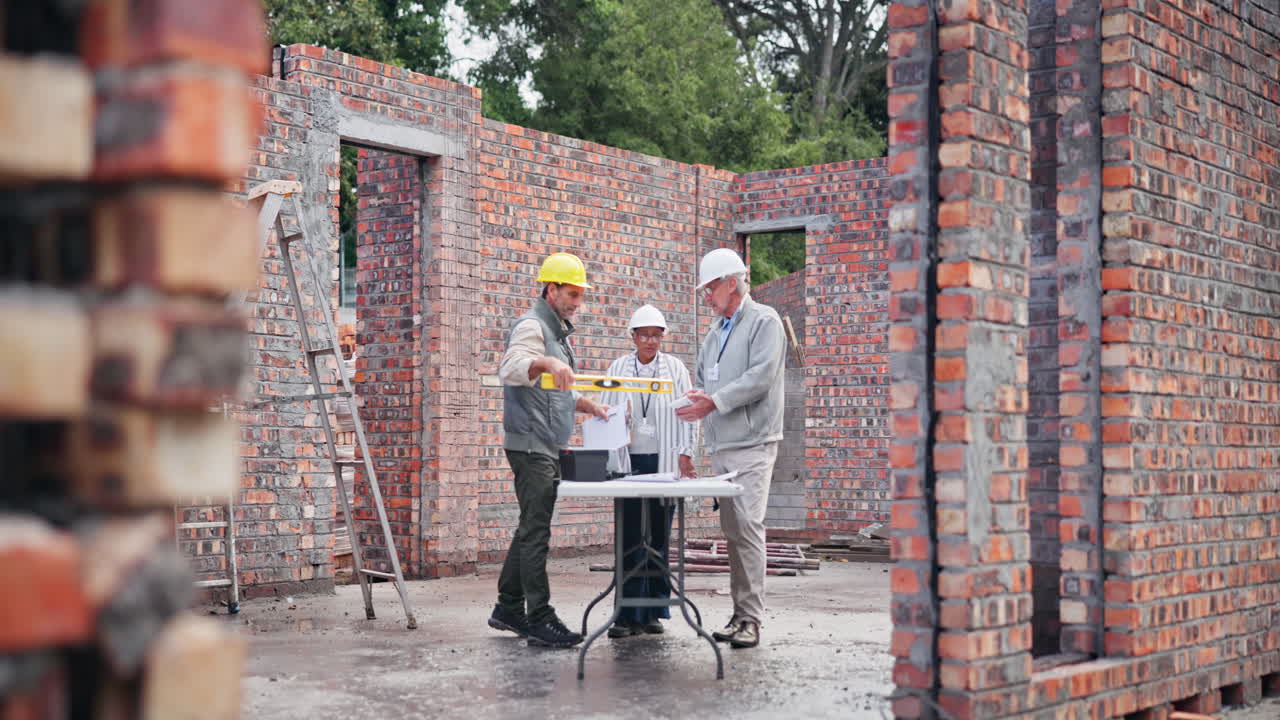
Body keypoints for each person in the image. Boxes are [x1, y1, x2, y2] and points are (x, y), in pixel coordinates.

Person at [488, 252, 609, 648]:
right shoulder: (532, 326)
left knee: (529, 527)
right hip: (531, 444)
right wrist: (543, 362)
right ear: (551, 288)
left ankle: (508, 606)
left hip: (545, 443)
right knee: (536, 532)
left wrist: (584, 404)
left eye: (580, 295)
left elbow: (552, 391)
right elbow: (511, 368)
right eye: (571, 294)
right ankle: (539, 617)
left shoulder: (556, 330)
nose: (577, 302)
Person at [674, 248, 785, 649]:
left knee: (749, 529)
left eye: (710, 288)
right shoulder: (713, 333)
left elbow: (761, 377)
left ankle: (751, 619)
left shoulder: (764, 322)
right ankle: (740, 614)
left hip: (754, 444)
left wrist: (714, 401)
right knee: (734, 531)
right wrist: (699, 398)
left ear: (732, 284)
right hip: (724, 446)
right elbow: (707, 379)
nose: (706, 296)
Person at [598, 304, 697, 638]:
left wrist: (686, 453)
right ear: (633, 337)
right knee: (629, 536)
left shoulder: (675, 369)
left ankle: (653, 613)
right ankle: (625, 615)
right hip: (628, 462)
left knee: (657, 534)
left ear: (663, 337)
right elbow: (604, 412)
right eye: (645, 335)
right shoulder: (618, 367)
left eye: (657, 335)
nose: (651, 342)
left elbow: (688, 411)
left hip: (663, 461)